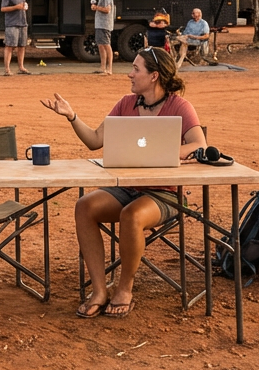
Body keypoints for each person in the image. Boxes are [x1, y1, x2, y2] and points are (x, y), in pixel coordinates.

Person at [40, 48, 207, 319]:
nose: (129, 73)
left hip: (164, 195)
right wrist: (71, 116)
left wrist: (163, 152)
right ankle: (99, 290)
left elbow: (200, 144)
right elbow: (95, 140)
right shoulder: (125, 104)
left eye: (136, 69)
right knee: (85, 206)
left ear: (154, 76)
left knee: (131, 215)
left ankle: (124, 288)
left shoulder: (180, 106)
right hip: (126, 188)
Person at [0, 0, 30, 76]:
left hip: (22, 22)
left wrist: (24, 6)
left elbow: (22, 5)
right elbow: (3, 9)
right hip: (12, 23)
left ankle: (21, 67)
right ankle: (7, 69)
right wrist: (16, 7)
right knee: (10, 46)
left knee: (22, 46)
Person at [90, 0, 114, 74]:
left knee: (106, 45)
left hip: (105, 24)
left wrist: (96, 8)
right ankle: (103, 67)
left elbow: (107, 9)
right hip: (100, 24)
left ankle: (109, 69)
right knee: (101, 45)